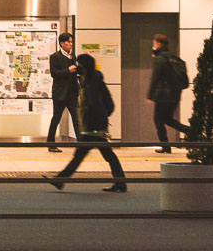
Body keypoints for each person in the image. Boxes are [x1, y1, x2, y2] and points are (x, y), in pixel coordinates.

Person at [46, 53, 127, 192]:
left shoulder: (92, 81)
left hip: (94, 126)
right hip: (97, 124)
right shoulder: (91, 78)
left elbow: (94, 103)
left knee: (83, 155)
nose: (78, 67)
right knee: (106, 155)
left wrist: (93, 124)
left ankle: (61, 179)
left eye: (80, 65)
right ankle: (120, 182)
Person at [147, 33, 190, 153]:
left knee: (158, 120)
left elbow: (155, 78)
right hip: (175, 95)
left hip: (163, 96)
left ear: (159, 44)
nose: (153, 46)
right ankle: (188, 131)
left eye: (154, 43)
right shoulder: (174, 58)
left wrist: (150, 96)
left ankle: (166, 146)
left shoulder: (160, 59)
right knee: (168, 119)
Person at [46, 31, 78, 152]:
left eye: (71, 42)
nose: (71, 44)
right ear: (61, 43)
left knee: (76, 119)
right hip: (60, 94)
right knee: (56, 118)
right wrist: (68, 70)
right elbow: (54, 73)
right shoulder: (55, 56)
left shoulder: (72, 56)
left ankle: (81, 144)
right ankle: (50, 144)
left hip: (72, 93)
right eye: (68, 42)